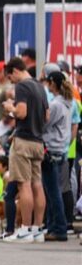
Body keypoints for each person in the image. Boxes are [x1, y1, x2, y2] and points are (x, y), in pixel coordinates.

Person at [0, 56, 48, 242]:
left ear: (15, 71)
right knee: (37, 184)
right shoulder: (40, 86)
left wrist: (9, 107)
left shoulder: (22, 86)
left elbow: (21, 112)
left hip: (23, 140)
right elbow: (47, 115)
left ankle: (25, 229)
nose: (11, 81)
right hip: (38, 141)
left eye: (10, 77)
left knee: (24, 184)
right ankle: (38, 229)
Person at [40, 71, 73, 241]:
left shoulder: (55, 105)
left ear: (52, 83)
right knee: (55, 191)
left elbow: (45, 125)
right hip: (61, 149)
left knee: (52, 192)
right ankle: (53, 226)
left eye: (47, 81)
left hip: (51, 150)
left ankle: (58, 228)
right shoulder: (68, 103)